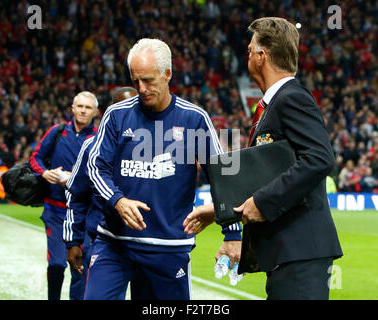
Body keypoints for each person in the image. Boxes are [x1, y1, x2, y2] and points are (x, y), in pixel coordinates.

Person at [184, 17, 343, 300]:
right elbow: (269, 175)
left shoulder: (292, 97)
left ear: (261, 55)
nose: (247, 56)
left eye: (249, 50)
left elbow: (319, 158)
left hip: (301, 253)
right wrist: (219, 211)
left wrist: (261, 203)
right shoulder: (274, 104)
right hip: (288, 254)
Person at [85, 38, 241, 300]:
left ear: (167, 74)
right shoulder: (116, 115)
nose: (141, 89)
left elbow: (224, 173)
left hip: (168, 249)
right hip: (115, 245)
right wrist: (118, 201)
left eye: (148, 80)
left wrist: (233, 233)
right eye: (135, 81)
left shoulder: (195, 119)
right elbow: (95, 167)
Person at [29, 91, 98, 300]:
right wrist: (44, 172)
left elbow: (102, 173)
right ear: (73, 108)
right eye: (80, 106)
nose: (83, 110)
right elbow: (35, 158)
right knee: (57, 264)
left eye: (88, 107)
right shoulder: (57, 132)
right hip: (55, 211)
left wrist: (76, 180)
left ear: (95, 112)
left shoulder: (97, 138)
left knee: (80, 267)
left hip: (83, 214)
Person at [64, 87, 138, 278]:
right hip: (98, 239)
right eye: (122, 106)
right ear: (112, 110)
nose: (128, 111)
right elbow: (75, 194)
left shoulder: (150, 147)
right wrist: (73, 242)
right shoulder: (92, 146)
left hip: (142, 241)